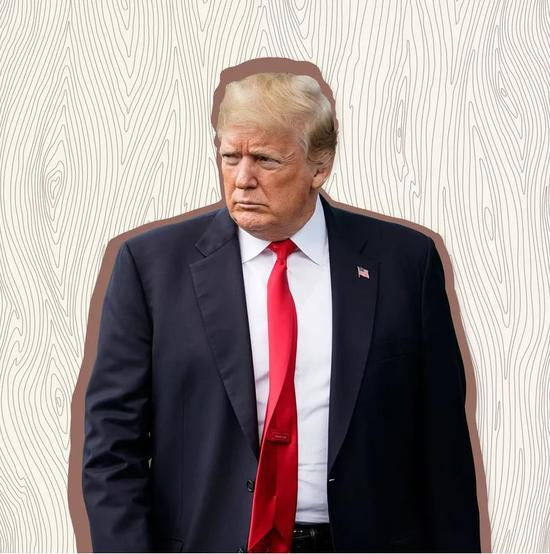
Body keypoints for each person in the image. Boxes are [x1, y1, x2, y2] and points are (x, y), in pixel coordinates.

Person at [82, 65, 481, 553]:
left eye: (266, 160)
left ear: (320, 166)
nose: (242, 179)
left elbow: (444, 449)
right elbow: (112, 449)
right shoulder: (151, 268)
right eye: (230, 156)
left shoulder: (405, 263)